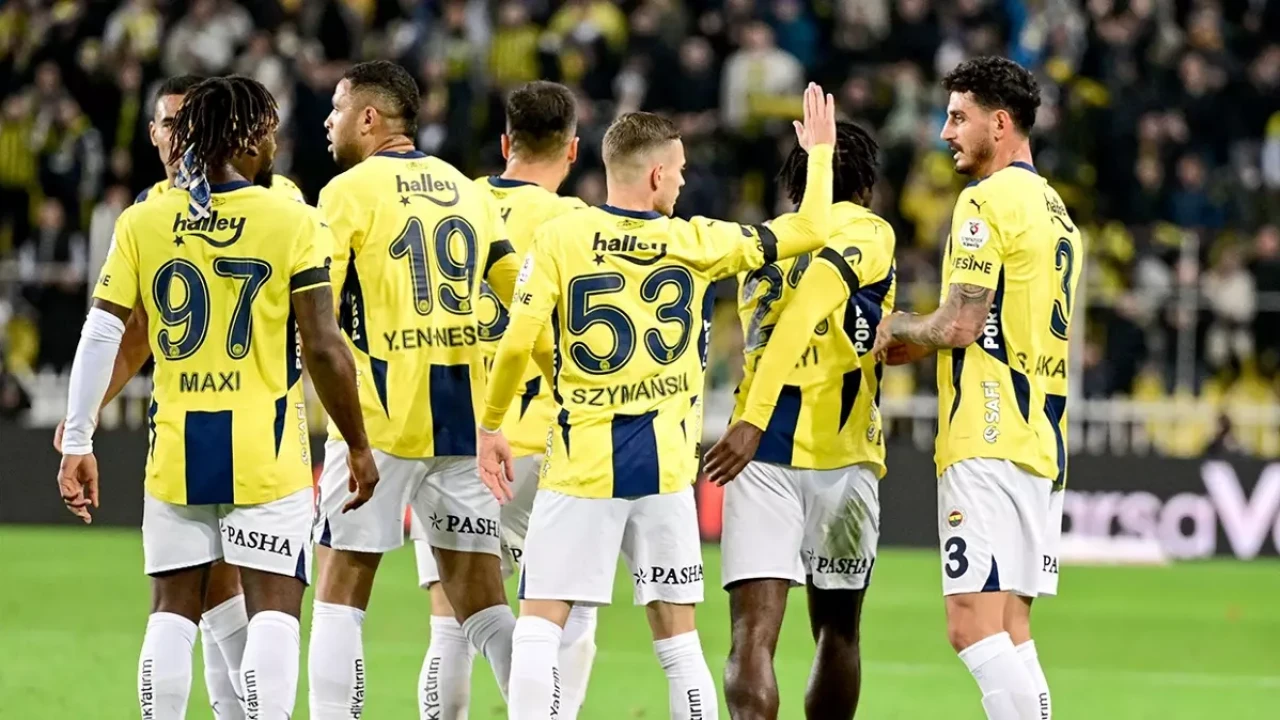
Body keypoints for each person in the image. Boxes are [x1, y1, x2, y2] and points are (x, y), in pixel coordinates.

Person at [476, 82, 839, 720]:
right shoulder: (699, 240)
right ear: (655, 175)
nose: (684, 179)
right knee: (678, 643)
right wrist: (820, 153)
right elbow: (811, 229)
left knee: (538, 624)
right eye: (679, 169)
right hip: (667, 471)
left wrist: (490, 427)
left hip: (581, 464)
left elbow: (516, 343)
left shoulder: (563, 236)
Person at [56, 75, 376, 720]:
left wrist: (78, 434)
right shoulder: (291, 217)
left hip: (176, 448)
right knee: (274, 611)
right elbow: (323, 346)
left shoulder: (143, 219)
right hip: (266, 451)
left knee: (172, 612)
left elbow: (104, 331)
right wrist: (359, 445)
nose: (276, 143)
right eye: (269, 131)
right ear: (248, 137)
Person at [307, 59, 524, 719]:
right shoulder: (467, 189)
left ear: (369, 117)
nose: (328, 121)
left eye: (338, 108)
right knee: (483, 603)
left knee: (341, 590)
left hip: (378, 420)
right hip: (460, 423)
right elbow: (521, 298)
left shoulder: (346, 193)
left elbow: (317, 320)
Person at [870, 56, 1081, 720]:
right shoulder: (1057, 212)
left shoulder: (985, 201)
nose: (945, 132)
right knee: (1012, 630)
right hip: (1042, 438)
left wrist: (898, 326)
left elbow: (961, 324)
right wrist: (928, 335)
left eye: (958, 117)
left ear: (999, 123)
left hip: (986, 437)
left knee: (969, 625)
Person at [408, 80, 598, 720]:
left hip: (458, 443)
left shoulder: (456, 205)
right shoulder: (579, 225)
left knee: (451, 619)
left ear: (504, 142)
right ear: (573, 150)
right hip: (550, 449)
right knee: (565, 615)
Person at [702, 120, 894, 720]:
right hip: (840, 453)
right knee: (838, 632)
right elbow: (808, 313)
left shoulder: (766, 241)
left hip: (758, 460)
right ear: (864, 185)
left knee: (751, 636)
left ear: (795, 187)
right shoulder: (870, 230)